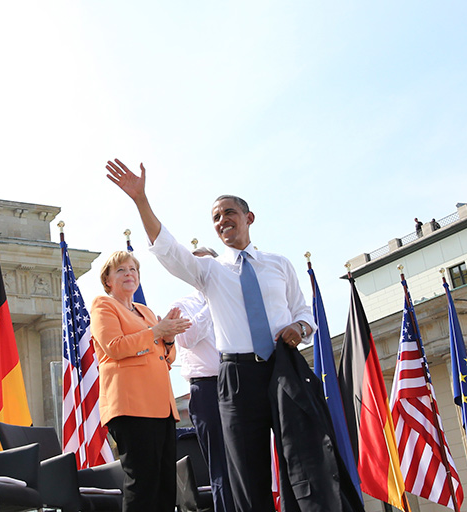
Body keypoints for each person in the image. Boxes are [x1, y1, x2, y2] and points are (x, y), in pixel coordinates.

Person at [105, 159, 315, 512]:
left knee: (302, 462)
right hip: (236, 377)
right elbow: (170, 251)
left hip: (283, 368)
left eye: (229, 213)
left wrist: (301, 328)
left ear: (249, 218)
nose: (222, 221)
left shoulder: (279, 264)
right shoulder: (210, 272)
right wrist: (141, 200)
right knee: (245, 474)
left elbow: (303, 312)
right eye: (216, 218)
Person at [89, 250, 189, 512]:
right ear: (108, 280)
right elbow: (115, 347)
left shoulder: (146, 311)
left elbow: (166, 359)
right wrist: (157, 331)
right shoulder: (103, 305)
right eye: (121, 270)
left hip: (162, 407)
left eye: (133, 269)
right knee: (142, 485)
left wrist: (168, 338)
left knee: (165, 485)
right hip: (131, 407)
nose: (129, 274)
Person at [169, 246, 235, 512]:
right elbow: (186, 337)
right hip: (208, 388)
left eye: (209, 265)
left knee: (249, 461)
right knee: (221, 465)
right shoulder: (183, 305)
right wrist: (212, 301)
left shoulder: (235, 298)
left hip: (239, 382)